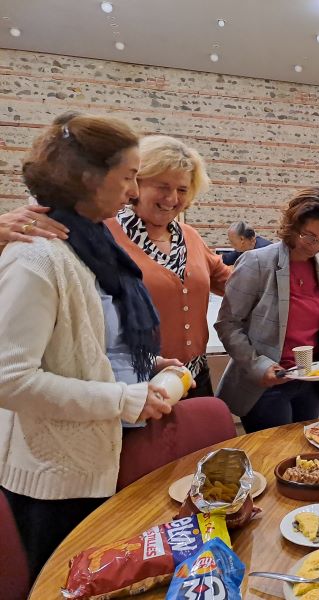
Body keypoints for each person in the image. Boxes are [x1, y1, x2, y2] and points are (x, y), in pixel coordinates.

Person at [0, 113, 175, 579]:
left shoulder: (91, 242)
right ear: (86, 177)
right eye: (128, 177)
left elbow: (83, 339)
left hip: (100, 449)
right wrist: (123, 396)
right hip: (55, 474)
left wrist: (147, 365)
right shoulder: (37, 254)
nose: (134, 191)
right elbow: (10, 379)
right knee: (64, 581)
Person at [106, 135, 231, 398]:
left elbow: (232, 282)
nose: (172, 198)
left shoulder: (190, 236)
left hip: (195, 376)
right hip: (139, 382)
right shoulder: (105, 234)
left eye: (182, 190)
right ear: (135, 184)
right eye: (162, 186)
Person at [215, 187, 319, 432]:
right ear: (293, 226)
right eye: (309, 236)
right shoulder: (257, 263)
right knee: (273, 459)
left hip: (308, 381)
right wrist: (258, 366)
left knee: (302, 457)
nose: (316, 246)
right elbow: (228, 324)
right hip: (265, 386)